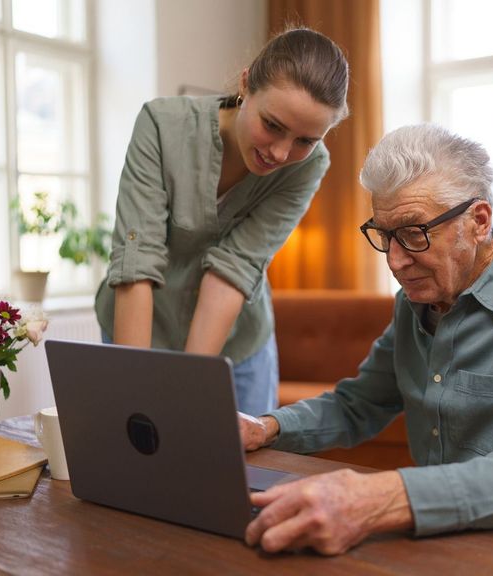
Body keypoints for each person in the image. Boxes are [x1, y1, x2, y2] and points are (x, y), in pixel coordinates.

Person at [239, 123, 493, 575]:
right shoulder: (414, 303)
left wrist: (388, 497)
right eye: (384, 235)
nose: (396, 261)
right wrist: (267, 428)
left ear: (478, 221)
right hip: (442, 547)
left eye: (414, 233)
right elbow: (356, 405)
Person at [95, 28, 349, 416]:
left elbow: (232, 271)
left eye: (305, 140)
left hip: (237, 348)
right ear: (246, 85)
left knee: (239, 473)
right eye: (273, 125)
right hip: (136, 330)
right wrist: (135, 395)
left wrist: (191, 391)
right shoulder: (162, 125)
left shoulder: (310, 166)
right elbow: (136, 263)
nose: (281, 153)